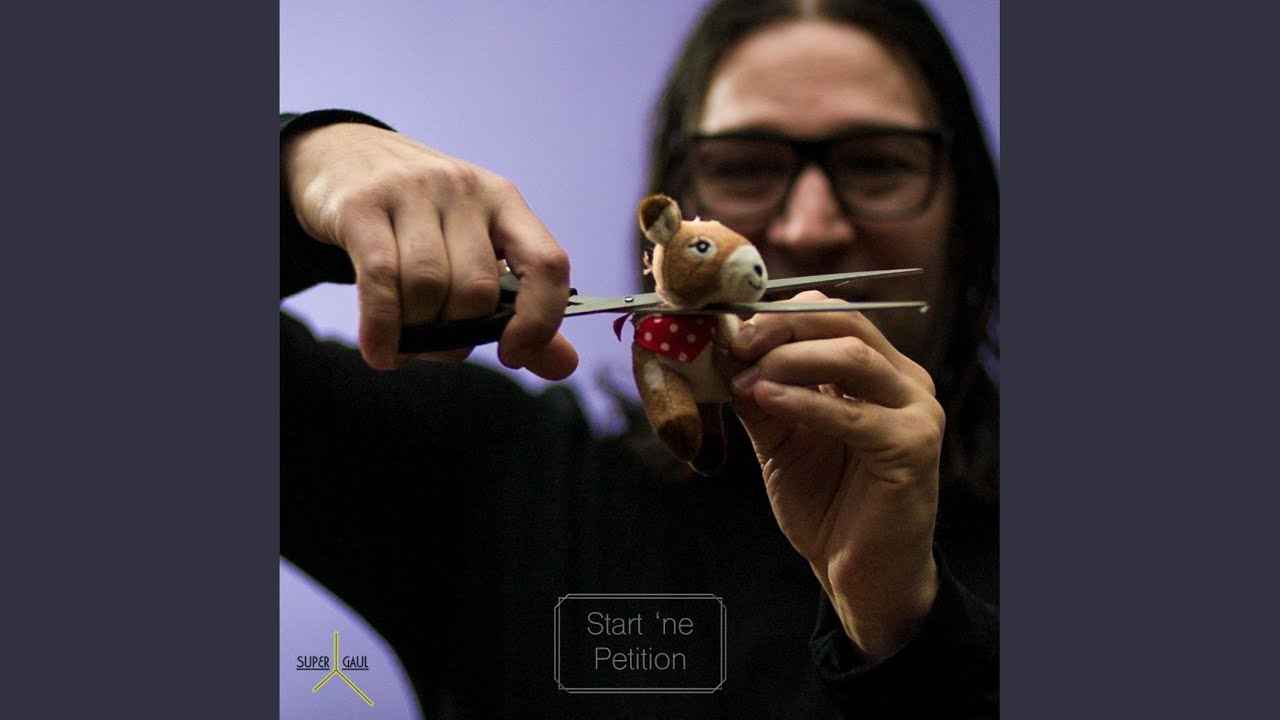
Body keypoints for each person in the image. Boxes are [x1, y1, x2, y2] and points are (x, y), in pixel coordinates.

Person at [280, 0, 998, 716]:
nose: (809, 227)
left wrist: (909, 630)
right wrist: (298, 164)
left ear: (964, 212)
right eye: (745, 167)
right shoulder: (503, 487)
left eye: (878, 165)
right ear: (671, 215)